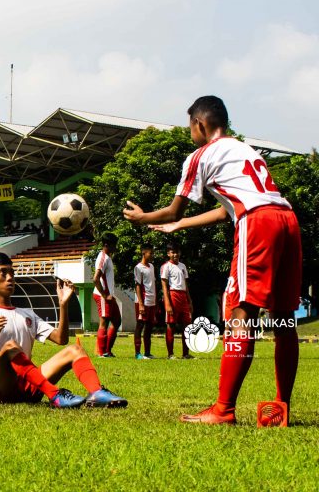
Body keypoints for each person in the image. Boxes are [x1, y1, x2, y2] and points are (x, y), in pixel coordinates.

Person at [124, 95, 302, 424]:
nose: (190, 133)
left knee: (241, 311)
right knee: (283, 318)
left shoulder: (200, 156)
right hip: (286, 219)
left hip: (257, 222)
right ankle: (281, 406)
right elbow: (225, 209)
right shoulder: (244, 150)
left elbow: (175, 207)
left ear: (200, 124)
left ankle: (224, 410)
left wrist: (144, 217)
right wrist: (181, 224)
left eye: (190, 126)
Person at [0, 252, 127, 408]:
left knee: (75, 350)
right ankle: (55, 394)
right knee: (10, 346)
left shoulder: (27, 314)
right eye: (3, 273)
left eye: (11, 272)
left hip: (28, 385)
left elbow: (60, 339)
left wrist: (63, 305)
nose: (10, 277)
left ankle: (97, 393)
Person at [159, 241, 192, 360]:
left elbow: (186, 285)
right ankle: (170, 354)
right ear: (168, 253)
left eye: (177, 252)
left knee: (187, 326)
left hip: (183, 296)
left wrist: (189, 301)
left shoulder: (183, 266)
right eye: (173, 252)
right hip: (173, 295)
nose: (175, 254)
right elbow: (164, 286)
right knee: (171, 325)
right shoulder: (166, 266)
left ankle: (186, 353)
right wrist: (167, 303)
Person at [91, 232, 120, 357]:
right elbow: (95, 278)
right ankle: (102, 353)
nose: (116, 248)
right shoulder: (103, 258)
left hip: (109, 295)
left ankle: (107, 350)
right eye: (114, 245)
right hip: (103, 295)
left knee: (117, 321)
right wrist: (104, 295)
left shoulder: (108, 257)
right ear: (107, 245)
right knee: (104, 322)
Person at [133, 242, 157, 360]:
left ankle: (147, 352)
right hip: (142, 301)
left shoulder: (151, 266)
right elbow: (138, 285)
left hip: (152, 301)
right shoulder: (138, 267)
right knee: (140, 325)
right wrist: (141, 304)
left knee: (149, 327)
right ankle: (138, 353)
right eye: (150, 253)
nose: (153, 255)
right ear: (144, 253)